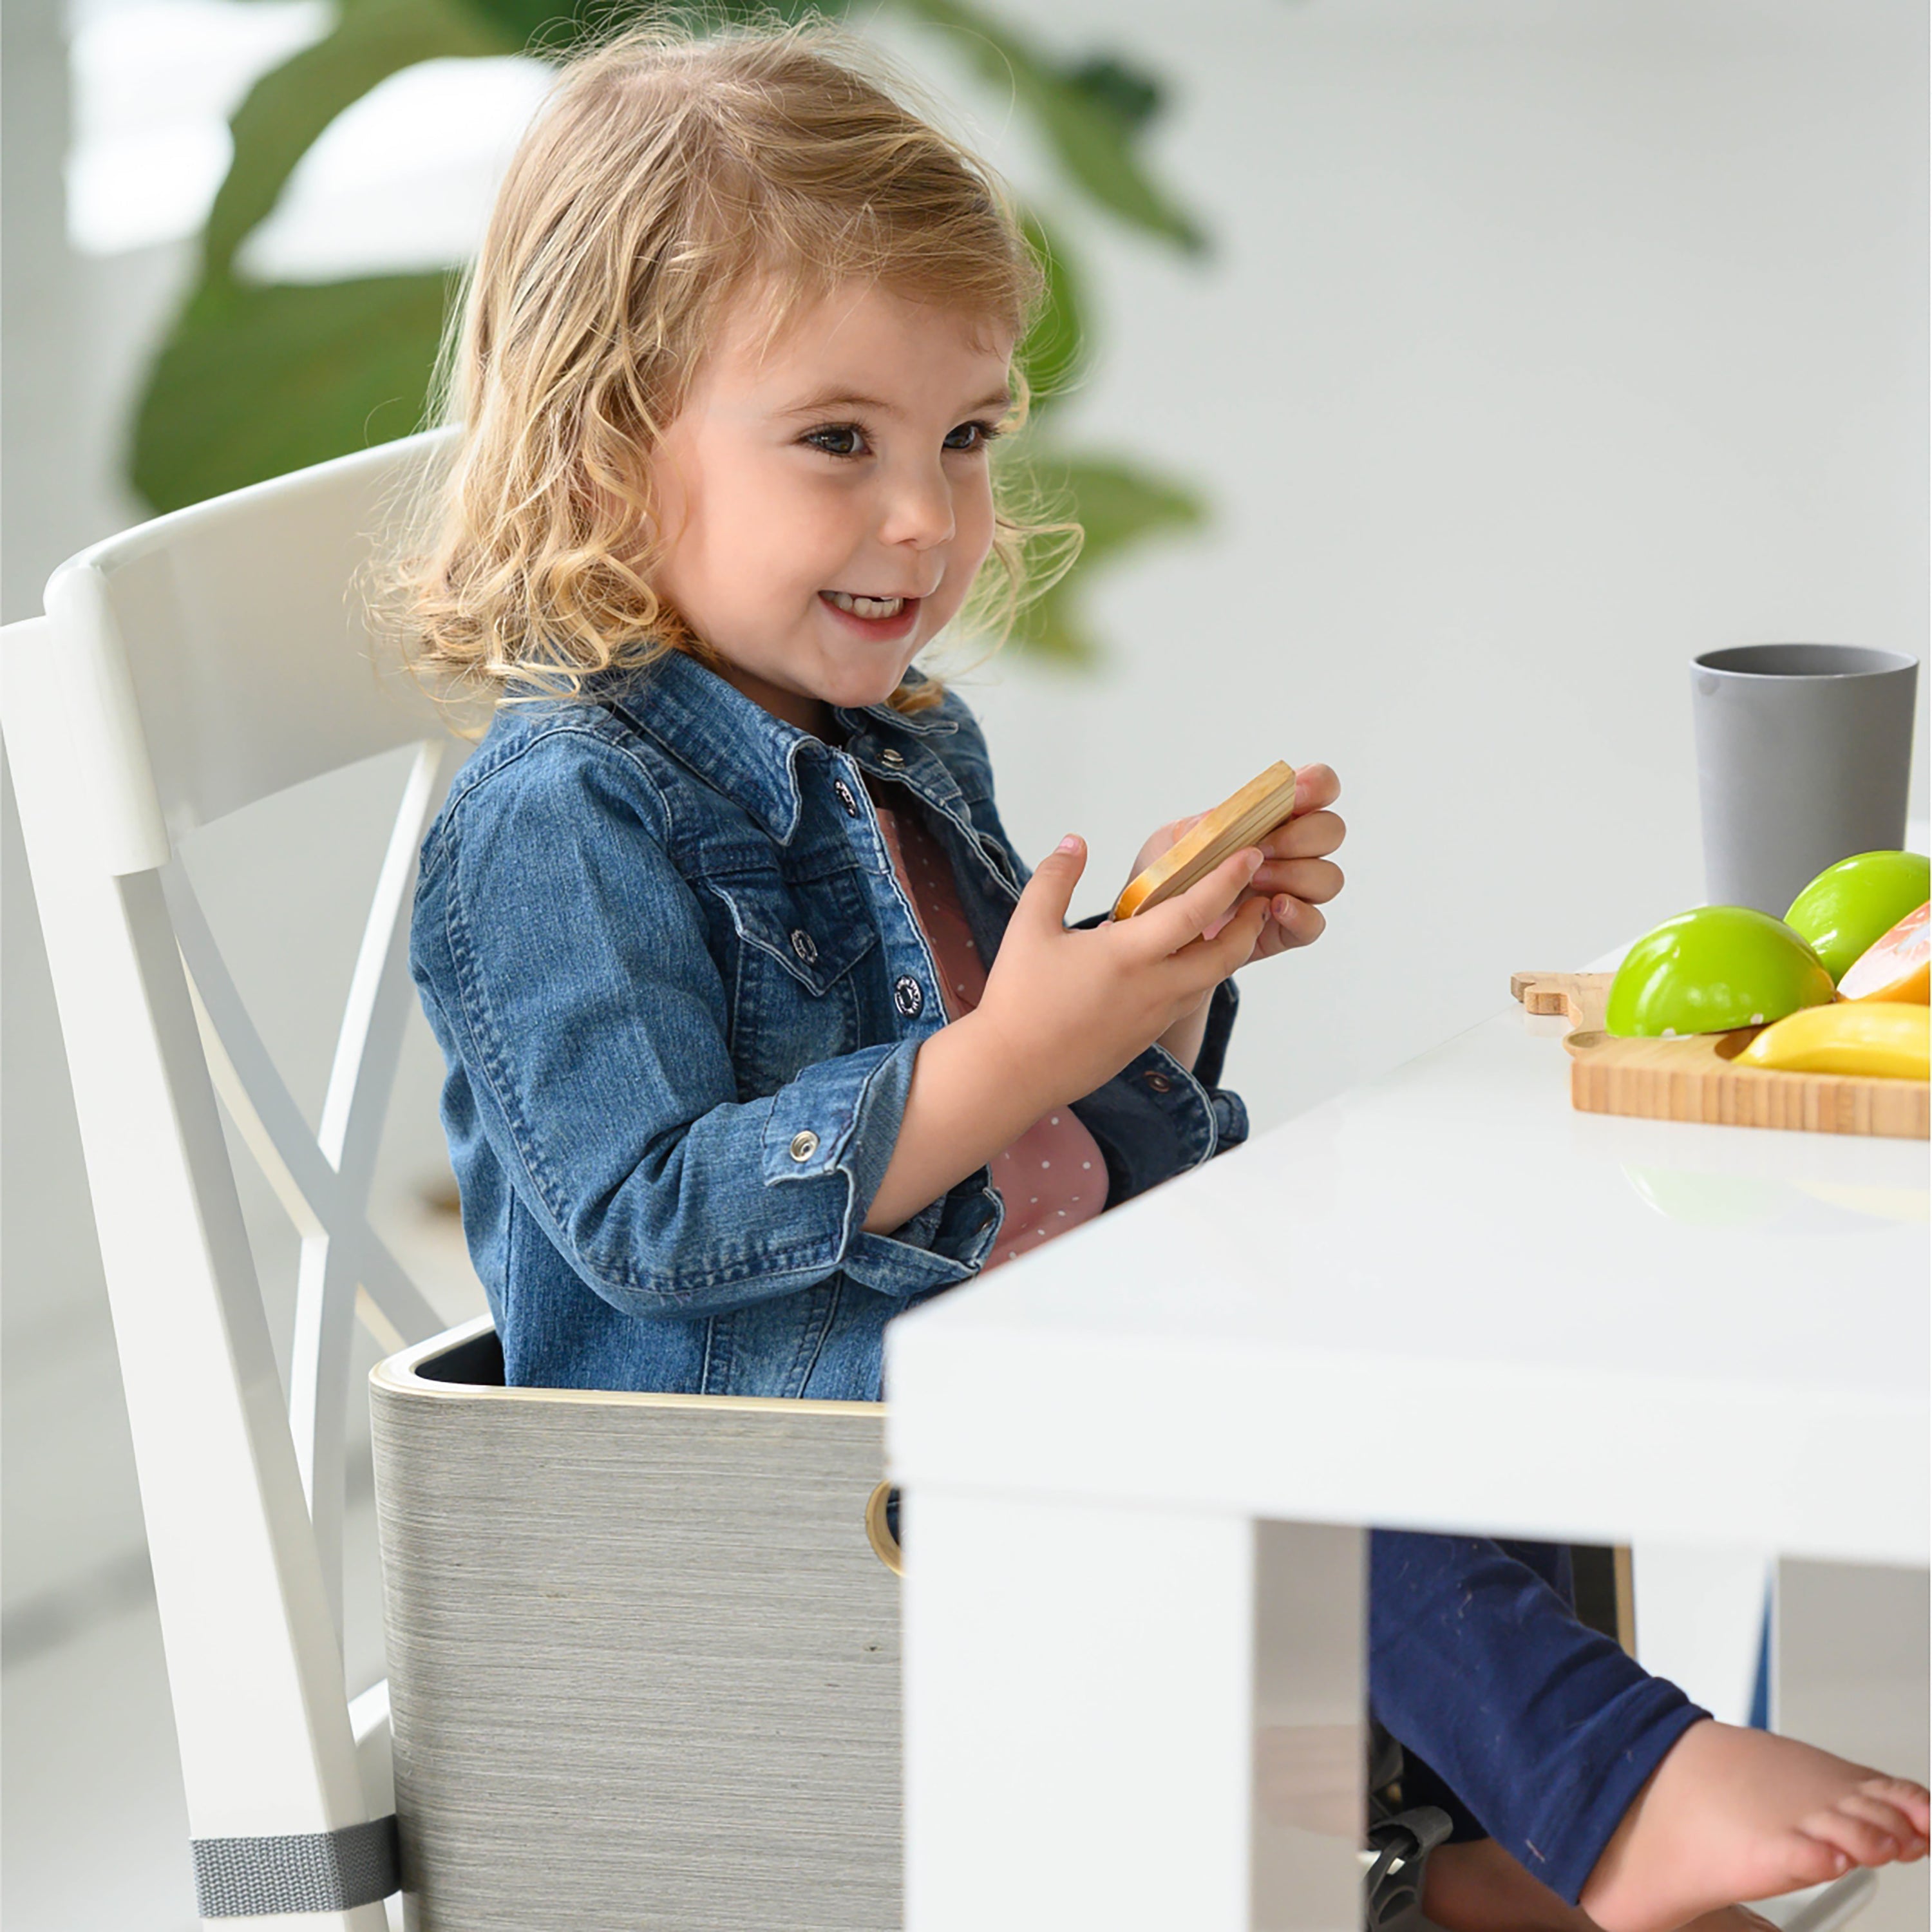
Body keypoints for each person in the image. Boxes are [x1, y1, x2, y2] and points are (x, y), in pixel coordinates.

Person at [395, 24, 1928, 1931]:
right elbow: (655, 1222)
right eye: (837, 442)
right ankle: (1608, 1794)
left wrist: (1149, 995)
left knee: (1409, 1302)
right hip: (792, 1477)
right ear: (610, 443)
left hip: (999, 1345)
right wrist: (1025, 1049)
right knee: (1239, 1383)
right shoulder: (563, 808)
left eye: (962, 439)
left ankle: (1490, 1849)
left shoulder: (900, 738)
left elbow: (1047, 1137)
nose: (925, 520)